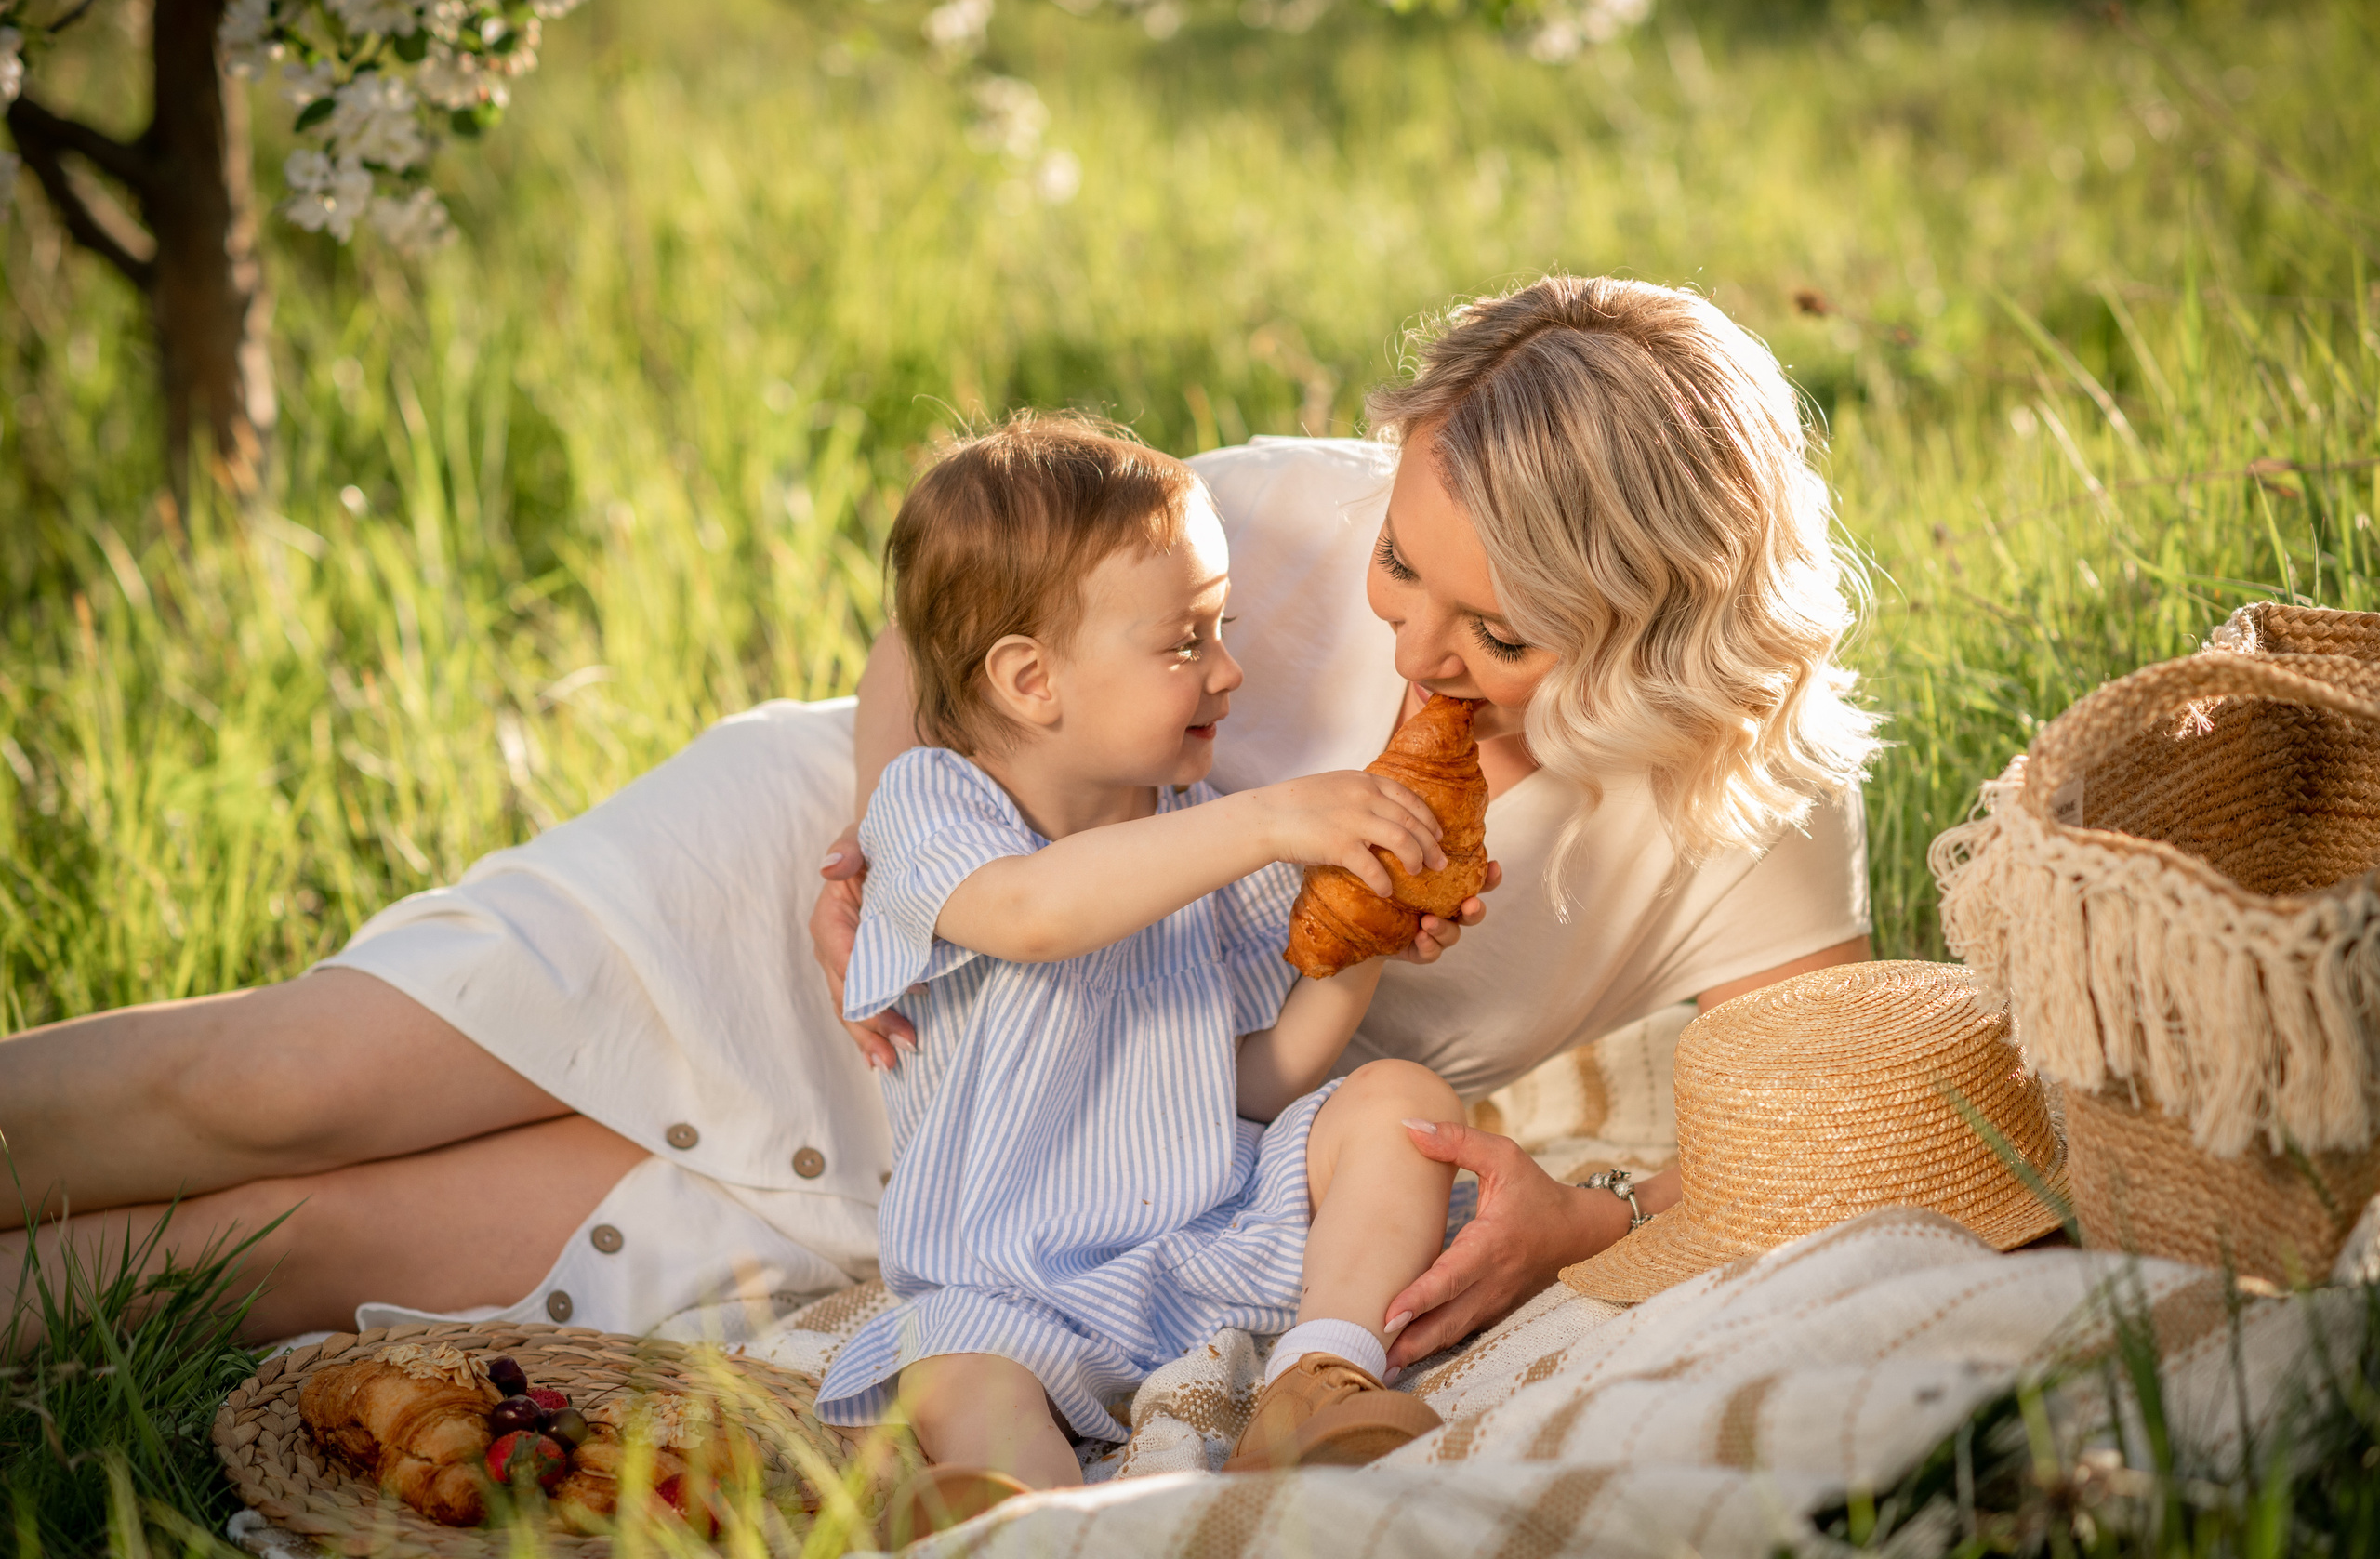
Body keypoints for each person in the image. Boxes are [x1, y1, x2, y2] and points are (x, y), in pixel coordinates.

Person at [1, 275, 1875, 1373]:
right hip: (816, 916)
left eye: (1501, 631)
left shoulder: (1741, 806)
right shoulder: (1274, 523)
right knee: (260, 1089)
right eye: (1401, 567)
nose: (1413, 641)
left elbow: (1835, 1112)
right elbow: (955, 633)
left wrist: (1589, 1213)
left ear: (1656, 623)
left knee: (285, 1249)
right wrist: (874, 840)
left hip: (1011, 1160)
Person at [813, 417, 1464, 1532]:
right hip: (1008, 1286)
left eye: (1222, 628)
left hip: (1201, 1246)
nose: (1229, 669)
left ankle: (1319, 1374)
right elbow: (1034, 911)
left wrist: (1354, 954)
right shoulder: (935, 807)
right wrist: (1273, 820)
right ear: (1030, 680)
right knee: (955, 1372)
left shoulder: (1197, 829)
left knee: (1402, 1106)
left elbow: (1254, 1085)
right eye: (1185, 641)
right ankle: (1033, 1517)